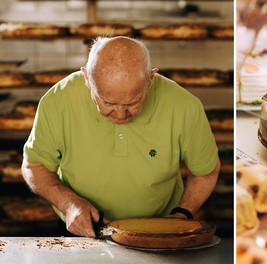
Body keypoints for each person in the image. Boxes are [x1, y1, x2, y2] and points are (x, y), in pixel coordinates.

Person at [21, 36, 220, 238]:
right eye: (107, 103)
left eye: (132, 103)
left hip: (161, 229)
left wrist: (183, 213)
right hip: (82, 228)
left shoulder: (185, 106)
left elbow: (205, 171)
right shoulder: (58, 100)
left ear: (150, 80)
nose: (120, 114)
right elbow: (35, 165)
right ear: (87, 79)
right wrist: (68, 204)